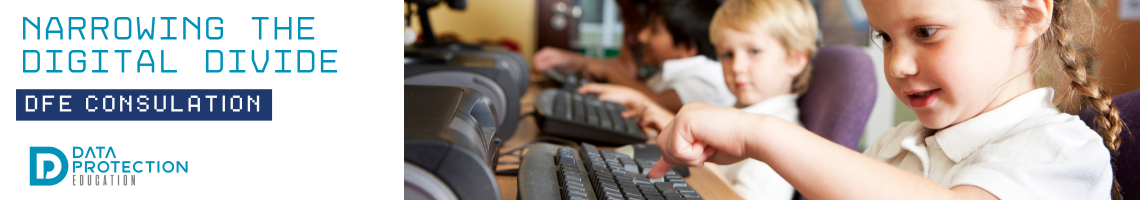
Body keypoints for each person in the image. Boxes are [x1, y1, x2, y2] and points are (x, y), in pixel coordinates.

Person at [648, 0, 1123, 199]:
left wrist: (760, 135)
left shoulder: (1061, 151)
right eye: (886, 38)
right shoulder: (894, 146)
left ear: (1026, 16)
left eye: (925, 32)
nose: (897, 65)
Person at [628, 0, 818, 199]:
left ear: (794, 60)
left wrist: (702, 163)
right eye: (727, 54)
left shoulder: (781, 139)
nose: (736, 66)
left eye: (754, 51)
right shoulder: (739, 110)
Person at [574, 0, 734, 113]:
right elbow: (641, 88)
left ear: (687, 49)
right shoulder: (669, 70)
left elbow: (656, 102)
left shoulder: (705, 74)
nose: (642, 36)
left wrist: (608, 72)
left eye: (654, 31)